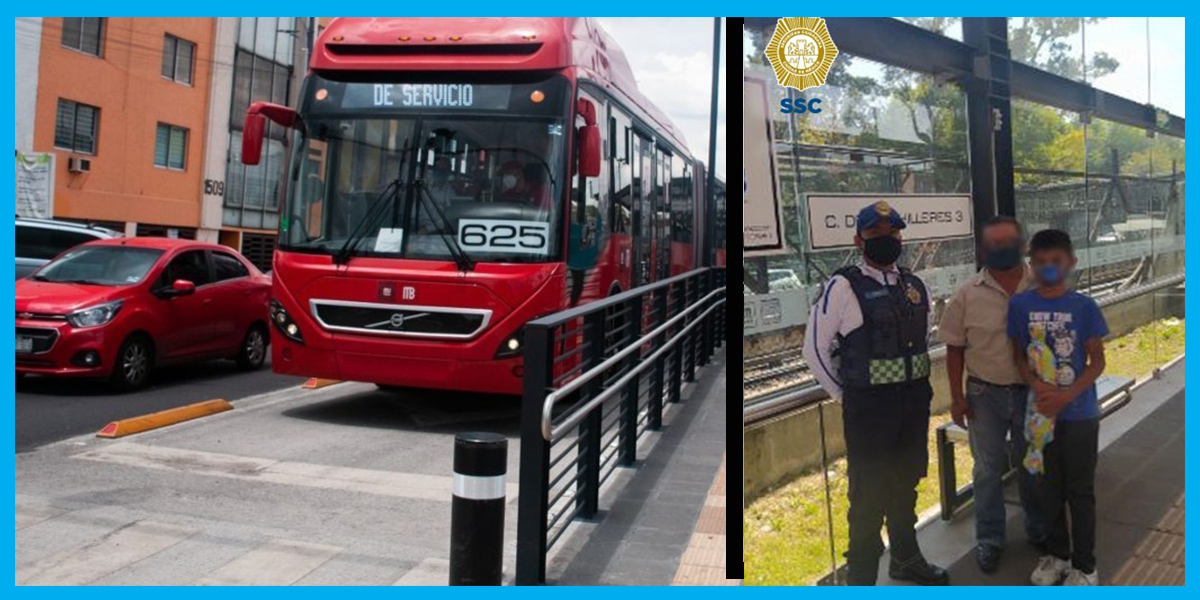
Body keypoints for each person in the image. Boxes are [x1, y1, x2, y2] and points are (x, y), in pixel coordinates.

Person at [802, 201, 949, 586]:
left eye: (893, 233)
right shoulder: (843, 286)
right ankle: (862, 581)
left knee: (905, 486)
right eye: (876, 235)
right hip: (869, 410)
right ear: (859, 240)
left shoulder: (915, 285)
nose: (887, 240)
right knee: (867, 499)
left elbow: (923, 339)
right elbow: (814, 349)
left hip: (913, 404)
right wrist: (843, 394)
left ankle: (905, 558)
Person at [938, 215, 1044, 573]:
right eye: (994, 243)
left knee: (1033, 463)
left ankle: (1038, 529)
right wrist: (957, 397)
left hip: (1033, 393)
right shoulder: (967, 294)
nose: (1002, 249)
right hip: (984, 393)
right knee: (986, 470)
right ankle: (990, 539)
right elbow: (954, 349)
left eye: (1009, 241)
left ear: (1023, 242)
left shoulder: (1043, 283)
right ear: (983, 249)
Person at [1007, 229, 1108, 586]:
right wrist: (1036, 386)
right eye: (1040, 262)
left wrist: (1067, 395)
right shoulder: (1020, 305)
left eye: (1056, 261)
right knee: (1046, 489)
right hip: (1040, 418)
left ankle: (1085, 565)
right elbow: (1019, 355)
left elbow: (1097, 362)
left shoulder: (1084, 307)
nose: (1048, 267)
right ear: (1030, 265)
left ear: (1071, 263)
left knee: (1079, 491)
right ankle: (1058, 555)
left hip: (1079, 415)